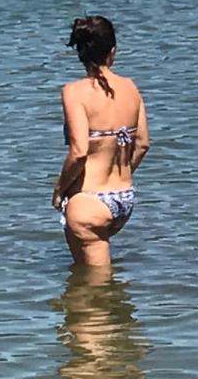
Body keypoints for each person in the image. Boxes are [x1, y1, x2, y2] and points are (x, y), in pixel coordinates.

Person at [54, 16, 149, 265]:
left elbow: (78, 151)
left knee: (94, 288)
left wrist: (59, 191)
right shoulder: (131, 87)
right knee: (99, 285)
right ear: (113, 51)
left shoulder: (74, 92)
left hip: (90, 201)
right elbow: (142, 144)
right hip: (124, 198)